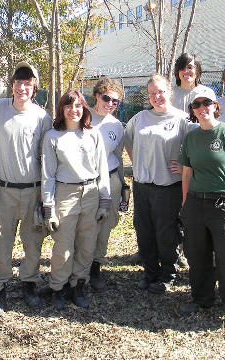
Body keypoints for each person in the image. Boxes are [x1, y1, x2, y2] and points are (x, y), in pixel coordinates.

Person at [178, 87, 225, 342]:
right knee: (197, 256)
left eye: (206, 103)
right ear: (193, 111)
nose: (202, 108)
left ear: (215, 105)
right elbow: (186, 174)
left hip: (223, 205)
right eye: (196, 105)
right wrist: (186, 203)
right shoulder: (191, 138)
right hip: (196, 205)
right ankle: (202, 299)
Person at [0, 62, 52, 316]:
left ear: (34, 86)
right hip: (4, 190)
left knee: (33, 241)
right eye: (18, 82)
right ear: (12, 84)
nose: (22, 87)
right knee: (2, 242)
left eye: (28, 83)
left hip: (33, 190)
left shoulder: (41, 117)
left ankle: (29, 283)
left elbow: (48, 157)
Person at [41, 90, 111, 311]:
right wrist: (49, 208)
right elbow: (48, 174)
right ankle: (58, 287)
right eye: (69, 106)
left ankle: (78, 285)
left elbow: (102, 169)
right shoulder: (53, 137)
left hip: (90, 193)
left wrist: (104, 200)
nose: (74, 111)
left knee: (87, 244)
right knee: (63, 246)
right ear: (62, 109)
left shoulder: (93, 134)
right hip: (65, 194)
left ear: (85, 109)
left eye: (78, 106)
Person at [124, 74, 191, 294]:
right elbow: (129, 142)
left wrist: (184, 169)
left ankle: (168, 274)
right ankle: (149, 272)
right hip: (142, 185)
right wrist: (139, 164)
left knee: (166, 233)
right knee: (144, 231)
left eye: (161, 92)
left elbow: (193, 149)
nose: (156, 97)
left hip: (168, 187)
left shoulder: (182, 119)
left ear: (170, 92)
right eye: (152, 93)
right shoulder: (140, 118)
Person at [89, 77, 126, 291]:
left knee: (105, 227)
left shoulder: (116, 126)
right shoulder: (83, 118)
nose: (110, 104)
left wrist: (122, 185)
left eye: (115, 102)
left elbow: (119, 157)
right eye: (106, 98)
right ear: (97, 96)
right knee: (87, 224)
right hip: (87, 180)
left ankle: (96, 268)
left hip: (111, 178)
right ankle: (79, 268)